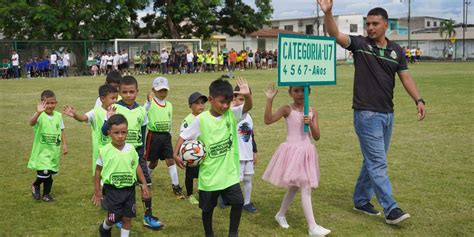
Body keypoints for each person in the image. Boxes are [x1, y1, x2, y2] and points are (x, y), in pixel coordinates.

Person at [318, 0, 426, 224]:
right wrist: (329, 13)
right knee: (378, 162)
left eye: (375, 24)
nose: (370, 28)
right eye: (368, 24)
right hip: (366, 114)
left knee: (374, 160)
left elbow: (405, 77)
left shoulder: (396, 51)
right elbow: (336, 34)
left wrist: (418, 99)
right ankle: (391, 209)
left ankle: (360, 199)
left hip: (388, 114)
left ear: (386, 25)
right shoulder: (360, 45)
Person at [173, 77, 253, 237]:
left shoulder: (231, 114)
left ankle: (233, 233)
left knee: (238, 202)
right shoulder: (200, 120)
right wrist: (175, 154)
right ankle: (209, 233)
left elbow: (248, 107)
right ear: (210, 99)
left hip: (229, 174)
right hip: (210, 176)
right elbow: (184, 136)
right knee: (207, 209)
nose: (225, 106)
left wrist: (248, 95)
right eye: (221, 102)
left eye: (228, 102)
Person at [262, 85, 330, 236]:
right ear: (290, 93)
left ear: (309, 92)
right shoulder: (287, 109)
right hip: (292, 151)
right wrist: (269, 100)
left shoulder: (312, 110)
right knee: (305, 186)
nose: (300, 94)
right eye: (296, 91)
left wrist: (310, 122)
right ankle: (312, 227)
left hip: (307, 151)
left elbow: (317, 136)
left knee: (296, 186)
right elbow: (268, 120)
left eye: (303, 91)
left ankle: (280, 214)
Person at [102, 76, 163, 229]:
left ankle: (148, 215)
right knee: (121, 185)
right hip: (119, 153)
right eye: (124, 92)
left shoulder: (142, 110)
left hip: (136, 153)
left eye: (131, 92)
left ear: (137, 92)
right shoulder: (115, 108)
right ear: (119, 92)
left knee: (145, 184)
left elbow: (143, 132)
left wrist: (142, 151)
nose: (128, 95)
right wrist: (107, 119)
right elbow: (105, 132)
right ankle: (118, 215)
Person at [94, 114, 150, 237]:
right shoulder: (105, 151)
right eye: (116, 133)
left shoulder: (131, 149)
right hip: (112, 190)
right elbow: (98, 171)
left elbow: (137, 167)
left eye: (123, 132)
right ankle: (104, 227)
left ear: (127, 132)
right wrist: (97, 190)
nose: (120, 136)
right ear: (109, 133)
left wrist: (143, 184)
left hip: (129, 190)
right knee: (113, 218)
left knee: (127, 218)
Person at [62, 84, 118, 179]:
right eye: (112, 98)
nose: (115, 101)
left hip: (115, 148)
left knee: (113, 172)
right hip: (100, 150)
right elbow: (83, 118)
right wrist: (75, 115)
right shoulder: (95, 112)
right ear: (102, 98)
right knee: (98, 173)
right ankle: (98, 192)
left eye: (116, 98)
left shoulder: (118, 111)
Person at [144, 77, 185, 199]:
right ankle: (145, 178)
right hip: (154, 136)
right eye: (160, 90)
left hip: (166, 136)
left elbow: (170, 120)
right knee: (153, 162)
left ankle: (176, 186)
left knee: (170, 160)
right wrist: (148, 102)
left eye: (165, 90)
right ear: (153, 90)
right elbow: (143, 113)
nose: (162, 93)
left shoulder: (169, 105)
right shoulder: (150, 103)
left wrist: (170, 133)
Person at [28, 90, 68, 202]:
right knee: (44, 172)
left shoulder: (58, 116)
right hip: (42, 152)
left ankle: (46, 194)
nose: (50, 106)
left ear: (56, 103)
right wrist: (37, 113)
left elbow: (61, 130)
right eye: (47, 103)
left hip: (53, 151)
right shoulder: (40, 116)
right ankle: (35, 185)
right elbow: (31, 123)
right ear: (42, 103)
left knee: (49, 175)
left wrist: (65, 144)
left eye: (52, 103)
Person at [179, 92, 208, 204]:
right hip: (192, 153)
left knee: (203, 173)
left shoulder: (205, 117)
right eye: (197, 103)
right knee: (190, 174)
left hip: (202, 152)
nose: (201, 105)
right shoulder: (188, 120)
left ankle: (202, 192)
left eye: (202, 103)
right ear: (190, 106)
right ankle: (190, 194)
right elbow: (183, 136)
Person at [233, 85, 258, 213]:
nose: (243, 103)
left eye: (245, 99)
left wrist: (254, 151)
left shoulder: (249, 116)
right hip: (237, 154)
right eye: (241, 99)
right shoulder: (234, 114)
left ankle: (247, 203)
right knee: (236, 180)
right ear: (233, 98)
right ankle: (227, 199)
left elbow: (251, 135)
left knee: (248, 178)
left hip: (248, 154)